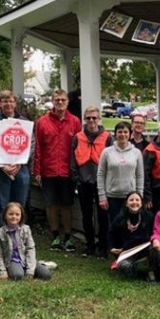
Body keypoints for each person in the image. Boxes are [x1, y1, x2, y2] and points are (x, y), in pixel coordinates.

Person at [33, 89, 82, 252]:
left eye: (63, 100)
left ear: (67, 102)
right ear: (52, 101)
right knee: (51, 204)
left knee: (66, 204)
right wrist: (37, 170)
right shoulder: (43, 122)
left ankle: (67, 237)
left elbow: (79, 148)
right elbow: (38, 147)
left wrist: (77, 170)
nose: (60, 102)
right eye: (57, 100)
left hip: (67, 171)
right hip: (49, 170)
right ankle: (55, 236)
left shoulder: (74, 121)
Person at [0, 90, 33, 226]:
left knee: (20, 205)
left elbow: (31, 145)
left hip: (21, 168)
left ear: (15, 103)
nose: (8, 104)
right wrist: (2, 165)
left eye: (11, 101)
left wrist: (19, 163)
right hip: (0, 169)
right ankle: (4, 237)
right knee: (2, 204)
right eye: (5, 101)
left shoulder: (24, 122)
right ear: (0, 103)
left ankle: (19, 235)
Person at [72, 106, 113, 258]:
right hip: (83, 182)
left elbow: (112, 159)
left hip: (102, 183)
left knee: (103, 216)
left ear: (99, 118)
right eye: (88, 118)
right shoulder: (78, 137)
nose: (91, 121)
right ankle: (89, 245)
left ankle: (103, 246)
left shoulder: (107, 137)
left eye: (94, 118)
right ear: (85, 119)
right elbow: (72, 160)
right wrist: (76, 178)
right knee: (86, 215)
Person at [97, 121, 144, 227]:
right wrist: (102, 196)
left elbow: (140, 176)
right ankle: (114, 244)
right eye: (120, 132)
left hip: (131, 197)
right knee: (115, 225)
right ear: (115, 134)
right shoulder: (107, 152)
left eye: (125, 132)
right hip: (112, 197)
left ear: (130, 134)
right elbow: (101, 174)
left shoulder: (136, 153)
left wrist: (139, 196)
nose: (123, 135)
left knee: (130, 225)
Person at [0, 202, 51, 280]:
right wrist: (2, 271)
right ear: (5, 216)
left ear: (21, 216)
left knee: (46, 275)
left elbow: (30, 248)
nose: (14, 217)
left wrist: (30, 271)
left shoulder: (26, 229)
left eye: (17, 214)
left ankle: (38, 265)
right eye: (11, 214)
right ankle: (18, 269)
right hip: (12, 260)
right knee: (17, 275)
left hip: (26, 258)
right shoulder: (0, 233)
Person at [108, 192, 154, 280]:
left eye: (137, 200)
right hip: (128, 251)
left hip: (145, 249)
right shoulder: (120, 217)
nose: (134, 202)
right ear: (126, 203)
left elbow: (155, 233)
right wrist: (112, 248)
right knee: (125, 266)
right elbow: (111, 234)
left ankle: (151, 272)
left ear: (141, 203)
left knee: (156, 249)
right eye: (131, 200)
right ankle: (141, 276)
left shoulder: (149, 216)